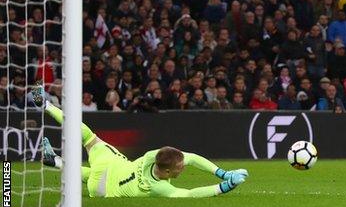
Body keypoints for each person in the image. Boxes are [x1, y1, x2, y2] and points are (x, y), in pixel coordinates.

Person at [29, 84, 248, 197]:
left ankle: (45, 105)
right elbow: (191, 194)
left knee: (89, 138)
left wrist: (222, 173)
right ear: (169, 172)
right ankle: (54, 162)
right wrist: (224, 185)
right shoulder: (157, 188)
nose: (184, 166)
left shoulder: (154, 155)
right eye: (180, 166)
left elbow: (189, 158)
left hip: (112, 169)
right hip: (102, 190)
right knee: (92, 172)